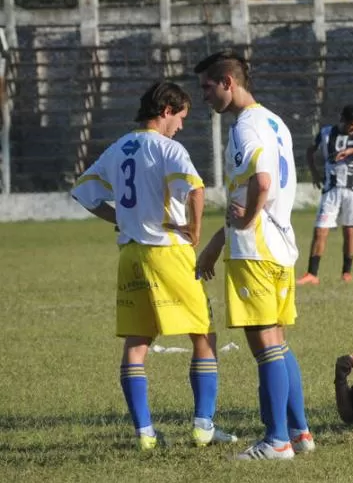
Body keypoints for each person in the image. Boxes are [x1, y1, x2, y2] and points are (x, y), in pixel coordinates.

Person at [70, 81, 236, 450]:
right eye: (180, 117)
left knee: (137, 342)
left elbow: (83, 192)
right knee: (204, 335)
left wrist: (121, 218)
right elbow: (195, 188)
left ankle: (145, 433)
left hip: (130, 255)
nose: (180, 126)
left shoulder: (118, 148)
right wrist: (194, 232)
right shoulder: (167, 148)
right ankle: (203, 425)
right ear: (165, 110)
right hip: (166, 250)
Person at [194, 51, 314, 460]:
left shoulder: (245, 127)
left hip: (256, 250)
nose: (205, 97)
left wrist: (245, 222)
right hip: (280, 245)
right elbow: (259, 186)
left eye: (208, 87)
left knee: (264, 345)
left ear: (228, 81)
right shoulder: (274, 121)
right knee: (277, 342)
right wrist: (216, 241)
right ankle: (299, 433)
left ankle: (277, 440)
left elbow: (261, 182)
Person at [298, 104, 353, 285]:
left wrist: (352, 151)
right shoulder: (326, 133)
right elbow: (310, 150)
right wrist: (314, 173)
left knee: (349, 231)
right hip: (331, 190)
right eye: (352, 124)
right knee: (320, 230)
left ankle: (346, 272)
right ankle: (312, 274)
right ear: (342, 120)